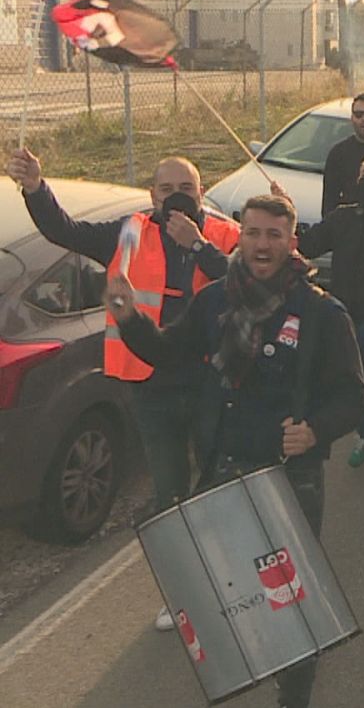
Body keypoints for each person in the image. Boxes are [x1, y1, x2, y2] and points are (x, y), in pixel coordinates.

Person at [105, 194, 364, 708]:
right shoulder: (214, 300)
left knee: (289, 607)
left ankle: (293, 696)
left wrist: (314, 429)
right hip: (222, 470)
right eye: (252, 233)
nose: (261, 244)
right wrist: (129, 316)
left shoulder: (321, 313)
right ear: (239, 236)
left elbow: (354, 397)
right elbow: (169, 352)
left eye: (273, 234)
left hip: (290, 481)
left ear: (291, 241)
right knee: (231, 599)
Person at [6, 149, 238, 632]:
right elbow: (65, 232)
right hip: (150, 384)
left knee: (216, 482)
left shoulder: (219, 232)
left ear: (201, 192)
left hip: (210, 381)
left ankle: (225, 578)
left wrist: (198, 247)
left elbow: (246, 281)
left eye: (187, 188)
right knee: (169, 492)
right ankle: (182, 596)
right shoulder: (128, 230)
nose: (176, 197)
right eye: (166, 188)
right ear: (152, 194)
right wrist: (35, 188)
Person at [291, 154, 364, 499]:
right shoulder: (341, 219)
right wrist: (288, 215)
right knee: (350, 397)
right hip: (345, 329)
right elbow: (307, 247)